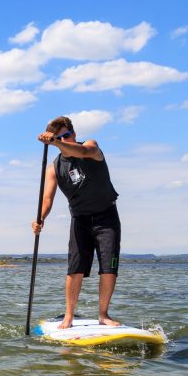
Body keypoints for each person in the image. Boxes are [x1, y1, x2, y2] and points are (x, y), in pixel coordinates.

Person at [32, 116, 122, 330]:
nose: (65, 140)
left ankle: (103, 315)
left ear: (74, 134)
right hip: (79, 219)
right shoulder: (54, 168)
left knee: (108, 266)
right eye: (60, 137)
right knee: (75, 269)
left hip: (106, 215)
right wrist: (40, 218)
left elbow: (81, 152)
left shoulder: (91, 146)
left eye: (67, 135)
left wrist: (55, 141)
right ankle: (68, 317)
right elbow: (47, 199)